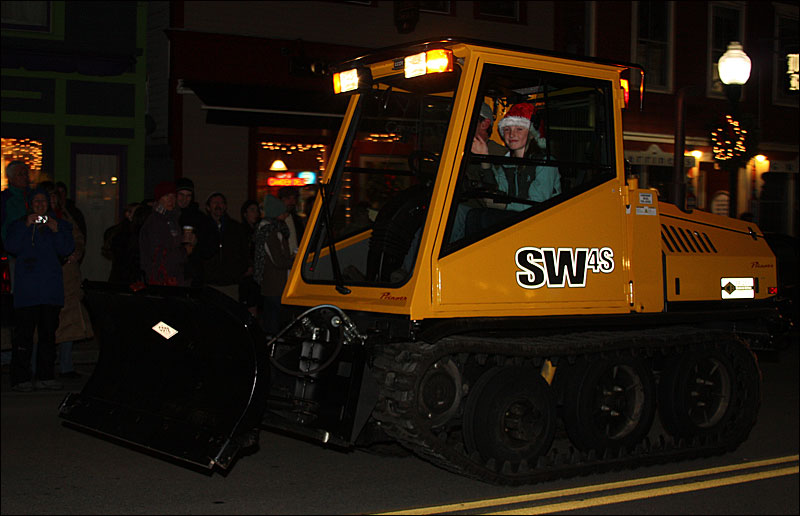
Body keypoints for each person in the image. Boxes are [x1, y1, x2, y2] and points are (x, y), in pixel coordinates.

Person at [5, 187, 74, 391]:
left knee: (48, 336)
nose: (40, 205)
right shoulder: (18, 225)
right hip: (27, 292)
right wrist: (26, 225)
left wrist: (56, 230)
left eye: (43, 201)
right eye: (36, 202)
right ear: (29, 204)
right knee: (23, 336)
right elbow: (11, 246)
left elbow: (66, 248)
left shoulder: (60, 225)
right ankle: (21, 378)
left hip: (50, 291)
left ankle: (46, 375)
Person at [41, 181, 93, 379]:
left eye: (56, 196)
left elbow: (78, 238)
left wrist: (77, 251)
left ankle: (66, 365)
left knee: (69, 321)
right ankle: (41, 366)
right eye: (50, 196)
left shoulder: (66, 215)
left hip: (68, 278)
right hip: (49, 276)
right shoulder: (39, 218)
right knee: (46, 323)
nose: (53, 200)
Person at [139, 181, 194, 286]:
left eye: (173, 196)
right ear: (159, 199)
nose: (171, 200)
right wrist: (184, 251)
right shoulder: (155, 222)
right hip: (161, 281)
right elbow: (158, 256)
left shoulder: (172, 220)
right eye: (166, 196)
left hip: (173, 278)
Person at [254, 195, 294, 336]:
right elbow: (277, 260)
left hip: (274, 284)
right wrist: (293, 262)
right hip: (275, 285)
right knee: (274, 324)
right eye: (284, 212)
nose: (286, 215)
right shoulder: (270, 232)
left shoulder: (274, 230)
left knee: (273, 320)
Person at [203, 192, 249, 299]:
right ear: (208, 207)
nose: (218, 205)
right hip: (209, 282)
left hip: (231, 282)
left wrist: (240, 270)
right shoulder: (203, 227)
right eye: (215, 203)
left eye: (221, 203)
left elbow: (244, 251)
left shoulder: (235, 228)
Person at [176, 177, 216, 286]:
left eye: (188, 195)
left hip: (192, 273)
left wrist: (197, 242)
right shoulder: (168, 216)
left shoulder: (200, 219)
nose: (184, 199)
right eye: (181, 194)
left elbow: (210, 248)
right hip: (171, 271)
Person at [1, 161, 31, 291]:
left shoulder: (32, 197)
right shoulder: (5, 199)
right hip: (13, 253)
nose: (25, 177)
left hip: (32, 251)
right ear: (11, 178)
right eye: (20, 174)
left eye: (26, 174)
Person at [239, 199, 262, 315]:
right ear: (245, 213)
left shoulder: (258, 230)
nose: (255, 213)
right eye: (252, 210)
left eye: (257, 211)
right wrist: (247, 266)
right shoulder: (242, 231)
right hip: (247, 274)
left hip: (256, 274)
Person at [277, 186, 305, 255]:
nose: (292, 202)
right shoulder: (274, 221)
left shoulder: (297, 220)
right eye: (288, 198)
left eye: (294, 198)